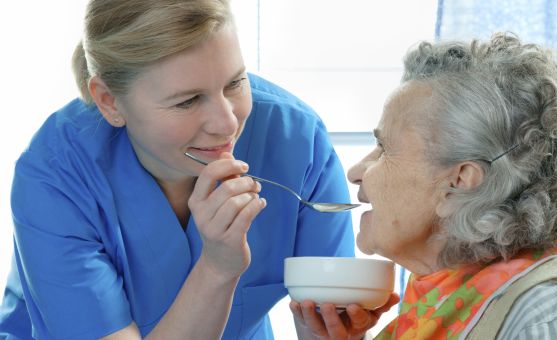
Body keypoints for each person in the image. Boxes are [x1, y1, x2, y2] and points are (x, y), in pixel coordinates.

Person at [0, 0, 360, 339]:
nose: (227, 123)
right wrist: (218, 267)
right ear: (109, 101)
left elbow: (327, 315)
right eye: (187, 101)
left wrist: (337, 327)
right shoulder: (56, 175)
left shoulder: (297, 142)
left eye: (235, 82)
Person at [290, 33, 557, 339]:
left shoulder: (542, 317)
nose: (356, 172)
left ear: (459, 182)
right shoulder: (439, 299)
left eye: (384, 148)